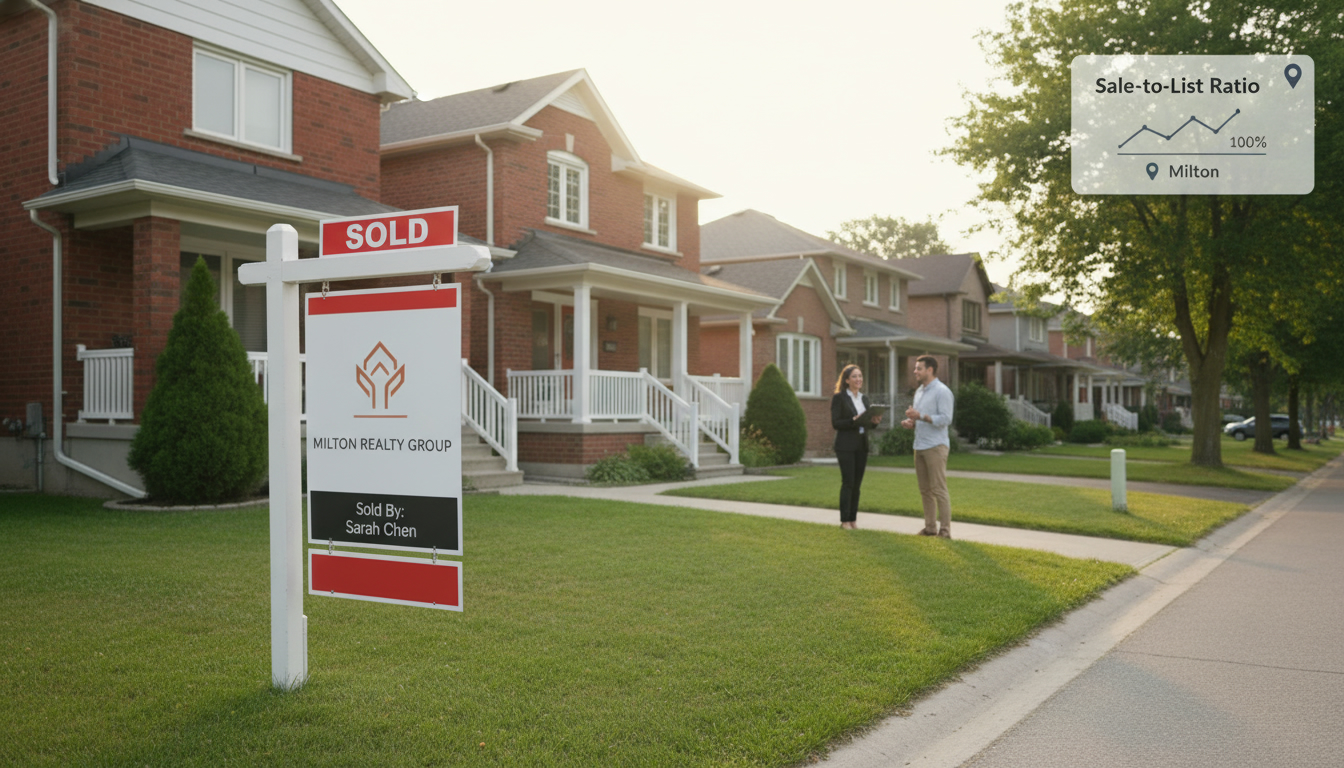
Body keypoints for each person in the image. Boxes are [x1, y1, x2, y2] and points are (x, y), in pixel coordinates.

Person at [902, 355, 955, 538]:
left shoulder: (942, 391)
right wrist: (912, 422)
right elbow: (920, 418)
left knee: (939, 489)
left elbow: (946, 419)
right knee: (924, 490)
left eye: (918, 368)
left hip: (936, 446)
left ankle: (945, 531)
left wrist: (922, 416)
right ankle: (930, 528)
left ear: (930, 370)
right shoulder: (919, 392)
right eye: (915, 368)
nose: (915, 372)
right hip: (920, 445)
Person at [831, 364, 881, 529]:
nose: (858, 379)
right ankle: (844, 521)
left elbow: (866, 424)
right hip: (845, 445)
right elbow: (836, 423)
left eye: (860, 376)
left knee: (857, 484)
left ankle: (853, 520)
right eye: (854, 376)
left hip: (861, 445)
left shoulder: (864, 399)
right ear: (846, 380)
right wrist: (853, 420)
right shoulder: (839, 398)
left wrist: (873, 422)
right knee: (848, 482)